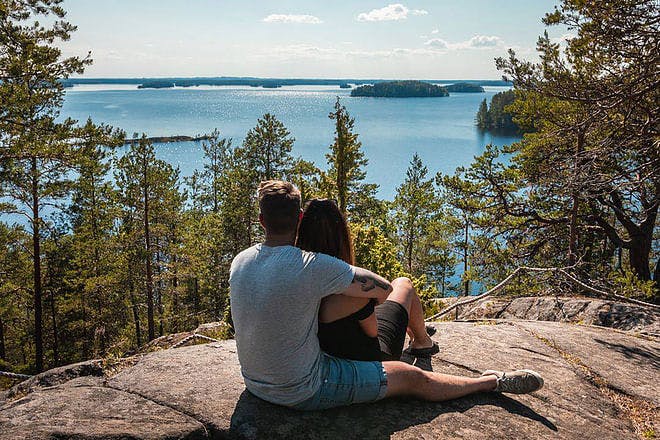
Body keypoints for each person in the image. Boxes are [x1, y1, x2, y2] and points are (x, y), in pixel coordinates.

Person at [230, 180, 544, 411]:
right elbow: (384, 288)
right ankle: (490, 382)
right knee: (410, 376)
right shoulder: (312, 266)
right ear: (298, 220)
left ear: (261, 221)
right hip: (303, 389)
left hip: (254, 383)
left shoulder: (240, 261)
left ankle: (427, 346)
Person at [295, 198, 438, 363]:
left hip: (323, 356)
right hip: (371, 361)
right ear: (341, 236)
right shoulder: (349, 292)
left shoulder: (293, 278)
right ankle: (422, 342)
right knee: (403, 283)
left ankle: (415, 333)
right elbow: (373, 331)